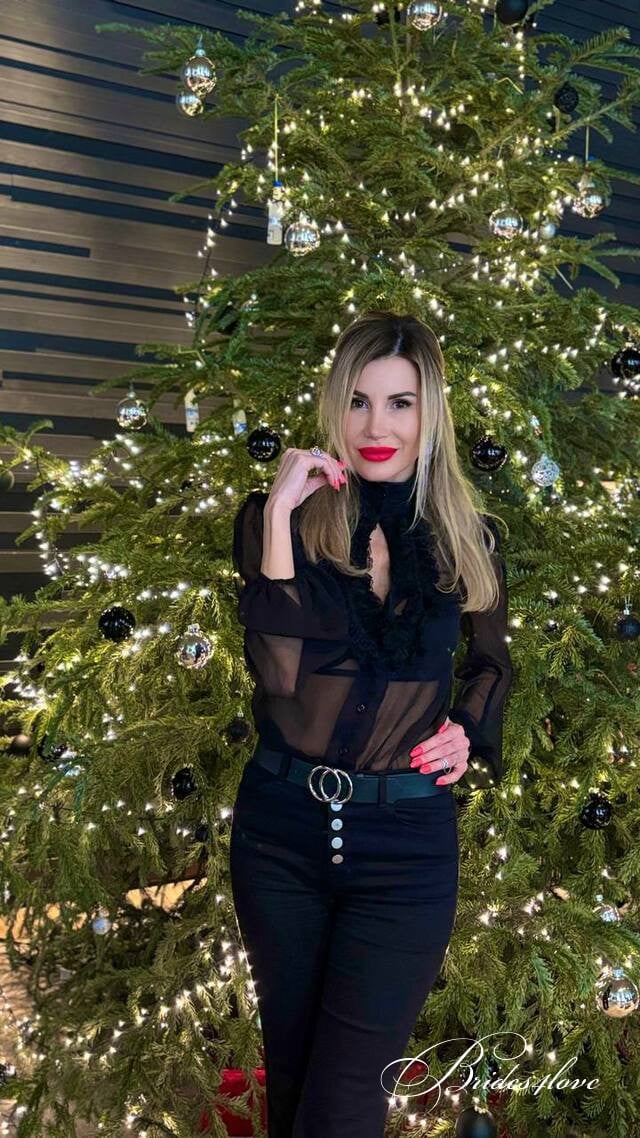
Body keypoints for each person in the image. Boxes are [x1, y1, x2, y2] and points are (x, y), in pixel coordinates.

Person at [230, 310, 514, 1138]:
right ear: (335, 407)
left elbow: (493, 663)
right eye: (357, 401)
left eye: (400, 403)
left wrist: (467, 728)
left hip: (406, 850)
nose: (376, 427)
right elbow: (279, 676)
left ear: (431, 415)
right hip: (279, 836)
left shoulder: (468, 537)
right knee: (293, 1081)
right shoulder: (279, 520)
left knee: (346, 1099)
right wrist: (279, 518)